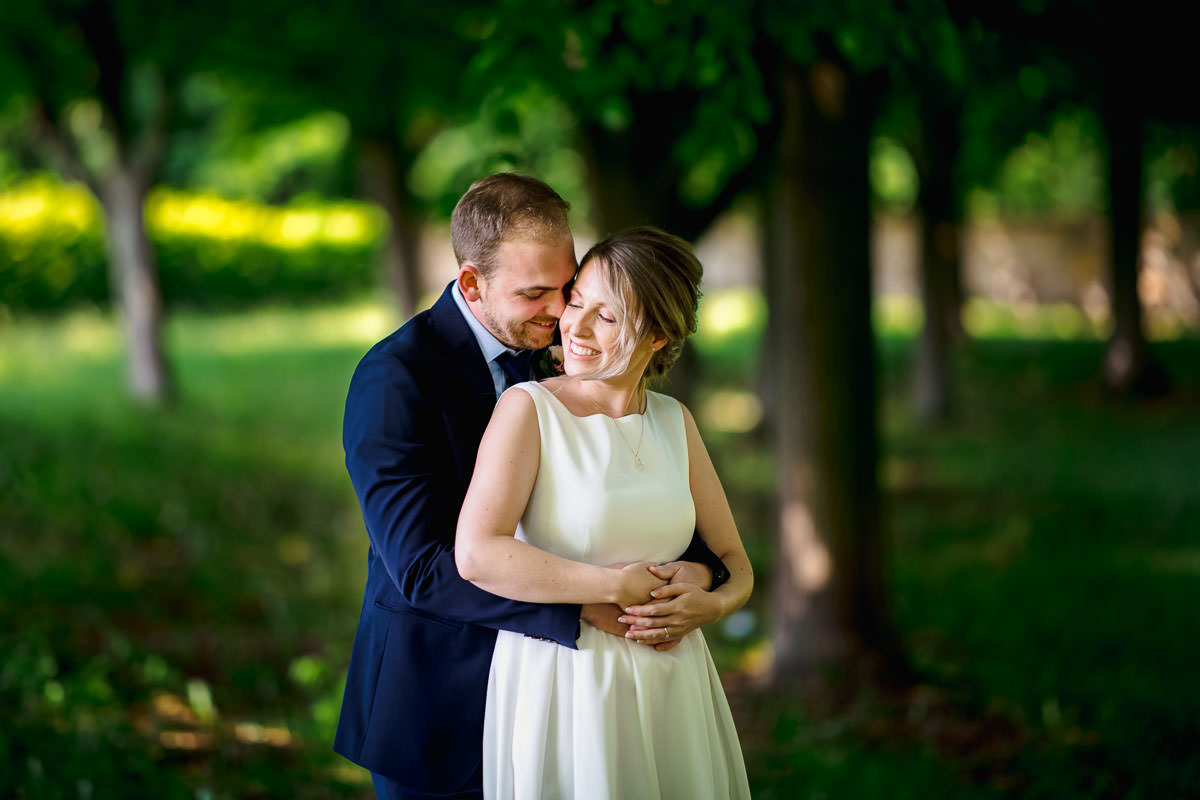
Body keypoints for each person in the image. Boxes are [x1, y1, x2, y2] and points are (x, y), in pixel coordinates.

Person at [334, 174, 730, 800]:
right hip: (439, 702)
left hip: (568, 700)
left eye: (566, 286)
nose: (561, 311)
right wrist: (586, 606)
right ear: (472, 284)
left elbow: (636, 497)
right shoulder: (397, 378)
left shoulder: (565, 353)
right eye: (535, 293)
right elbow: (421, 570)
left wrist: (702, 578)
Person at [455, 226, 754, 799]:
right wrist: (614, 587)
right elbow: (477, 553)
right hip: (567, 677)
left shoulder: (674, 420)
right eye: (577, 302)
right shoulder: (528, 409)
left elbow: (734, 560)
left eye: (608, 316)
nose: (576, 327)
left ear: (658, 334)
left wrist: (712, 604)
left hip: (675, 678)